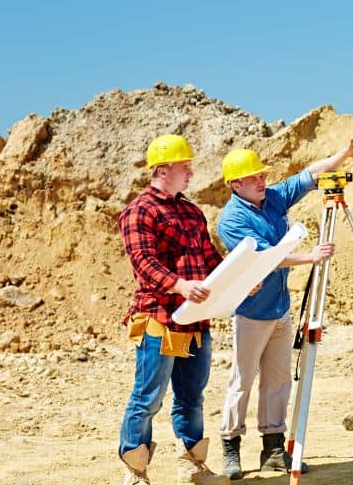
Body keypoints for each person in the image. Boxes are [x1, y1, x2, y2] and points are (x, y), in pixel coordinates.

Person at [217, 139, 353, 479]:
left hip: (280, 309)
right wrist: (310, 257)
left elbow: (307, 176)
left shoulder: (272, 197)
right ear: (235, 184)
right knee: (242, 381)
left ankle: (273, 449)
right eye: (253, 177)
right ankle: (231, 446)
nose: (261, 180)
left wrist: (341, 155)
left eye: (261, 175)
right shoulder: (230, 220)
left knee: (278, 380)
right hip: (250, 312)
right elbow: (263, 258)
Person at [118, 134, 227, 485]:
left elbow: (210, 259)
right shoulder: (139, 211)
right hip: (159, 319)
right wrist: (180, 285)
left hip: (195, 321)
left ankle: (192, 467)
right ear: (163, 170)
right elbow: (143, 262)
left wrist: (238, 277)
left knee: (192, 397)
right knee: (148, 397)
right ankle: (135, 471)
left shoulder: (192, 211)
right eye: (185, 167)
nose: (191, 174)